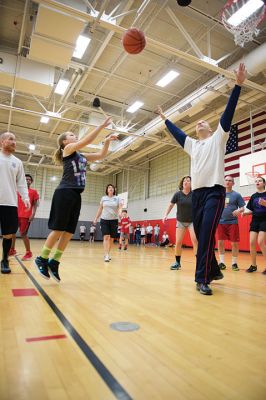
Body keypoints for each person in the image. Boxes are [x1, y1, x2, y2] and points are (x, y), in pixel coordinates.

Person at [157, 63, 246, 295]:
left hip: (215, 193)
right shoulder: (192, 145)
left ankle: (202, 279)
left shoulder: (219, 137)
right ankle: (213, 270)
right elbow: (177, 134)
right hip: (197, 195)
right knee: (204, 236)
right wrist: (165, 119)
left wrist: (237, 85)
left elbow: (228, 114)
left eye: (203, 122)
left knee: (205, 235)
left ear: (211, 127)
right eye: (197, 123)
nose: (199, 123)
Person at [35, 117, 115, 281]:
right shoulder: (69, 149)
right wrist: (100, 126)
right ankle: (42, 258)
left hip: (76, 195)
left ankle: (54, 261)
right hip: (64, 192)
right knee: (58, 229)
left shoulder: (82, 156)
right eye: (71, 134)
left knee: (70, 231)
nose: (74, 136)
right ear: (64, 141)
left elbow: (101, 154)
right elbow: (86, 140)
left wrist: (106, 141)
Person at [0, 132, 30, 274]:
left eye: (15, 140)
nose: (14, 142)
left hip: (10, 203)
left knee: (8, 234)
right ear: (2, 141)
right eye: (11, 139)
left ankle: (4, 260)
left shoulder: (17, 162)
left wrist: (26, 198)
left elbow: (22, 183)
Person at [163, 176, 197, 271]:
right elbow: (170, 205)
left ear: (191, 183)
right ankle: (177, 263)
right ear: (182, 183)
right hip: (181, 221)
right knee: (178, 242)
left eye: (188, 180)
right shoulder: (177, 194)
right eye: (184, 180)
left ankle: (199, 264)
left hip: (192, 221)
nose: (186, 181)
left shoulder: (194, 194)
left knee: (195, 241)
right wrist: (165, 215)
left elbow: (200, 206)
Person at [217, 175, 245, 271]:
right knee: (220, 242)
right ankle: (222, 262)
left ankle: (234, 263)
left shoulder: (236, 195)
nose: (228, 182)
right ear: (224, 182)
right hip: (220, 222)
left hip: (233, 222)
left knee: (234, 243)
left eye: (230, 180)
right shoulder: (219, 195)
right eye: (226, 180)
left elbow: (242, 207)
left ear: (233, 183)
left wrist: (239, 211)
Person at [9, 174, 39, 260]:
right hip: (15, 215)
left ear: (31, 181)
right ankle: (12, 250)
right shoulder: (17, 191)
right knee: (12, 233)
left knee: (23, 234)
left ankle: (28, 252)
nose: (27, 180)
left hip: (26, 216)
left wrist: (33, 214)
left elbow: (35, 204)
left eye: (29, 179)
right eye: (25, 179)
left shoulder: (34, 192)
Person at [94, 184, 123, 262]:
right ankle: (106, 255)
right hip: (104, 220)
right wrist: (96, 218)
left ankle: (108, 253)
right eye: (109, 188)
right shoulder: (103, 198)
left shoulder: (117, 198)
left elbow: (120, 207)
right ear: (107, 190)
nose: (111, 189)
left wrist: (120, 213)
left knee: (111, 238)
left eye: (112, 188)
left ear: (114, 190)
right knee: (106, 236)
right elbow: (100, 209)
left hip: (114, 220)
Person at [243, 177, 266, 274]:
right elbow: (252, 210)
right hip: (255, 220)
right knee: (252, 242)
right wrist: (245, 213)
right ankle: (253, 265)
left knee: (260, 242)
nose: (257, 182)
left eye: (260, 181)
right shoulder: (253, 196)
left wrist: (265, 204)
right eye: (256, 181)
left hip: (265, 220)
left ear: (264, 183)